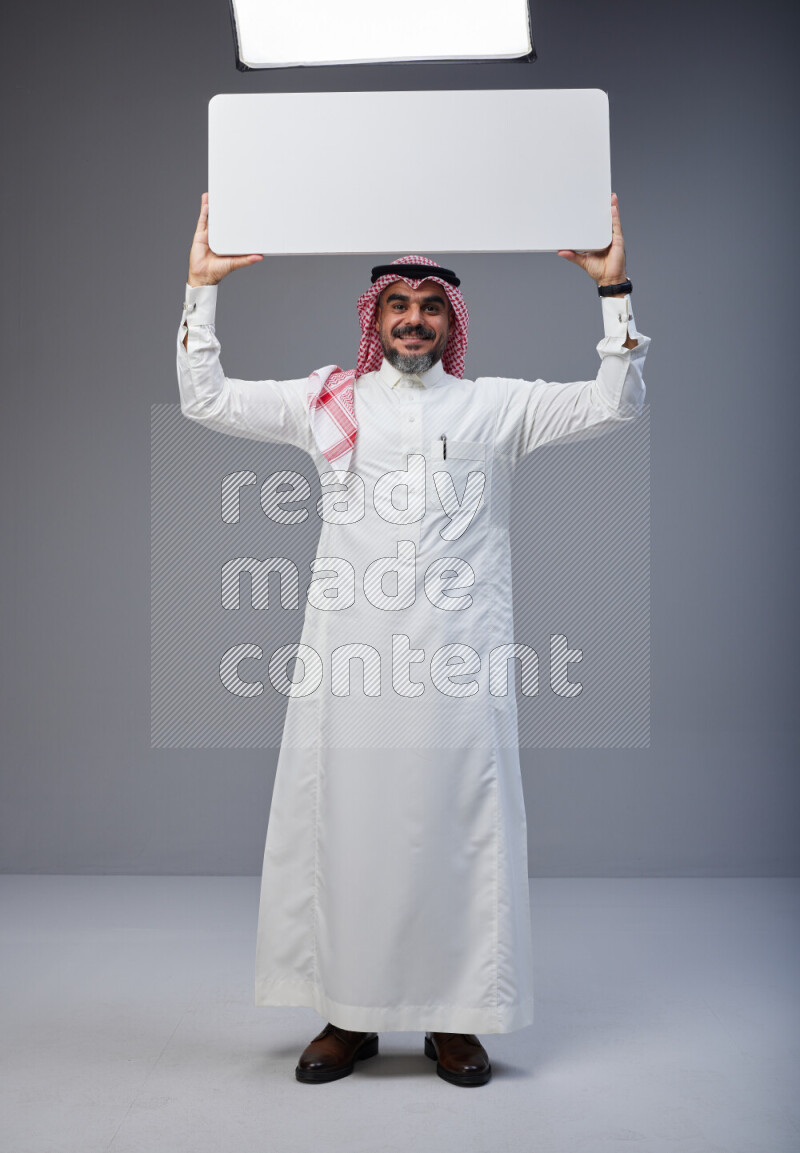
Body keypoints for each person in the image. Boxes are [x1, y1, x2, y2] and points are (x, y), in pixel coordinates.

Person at [176, 191, 649, 1088]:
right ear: (376, 316)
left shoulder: (495, 409)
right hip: (349, 662)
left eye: (431, 307)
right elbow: (203, 398)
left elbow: (615, 403)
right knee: (349, 835)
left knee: (457, 833)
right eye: (399, 305)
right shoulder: (328, 402)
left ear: (451, 321)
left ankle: (455, 1019)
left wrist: (612, 289)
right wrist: (202, 290)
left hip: (459, 666)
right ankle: (347, 1016)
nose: (415, 321)